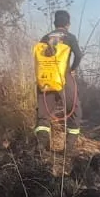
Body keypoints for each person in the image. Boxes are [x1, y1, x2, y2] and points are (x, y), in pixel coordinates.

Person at [33, 10, 84, 153]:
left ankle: (42, 146)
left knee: (43, 113)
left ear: (55, 24)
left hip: (46, 80)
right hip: (64, 78)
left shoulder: (45, 37)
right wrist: (73, 69)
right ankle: (68, 149)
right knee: (75, 111)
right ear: (67, 24)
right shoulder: (70, 37)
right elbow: (79, 55)